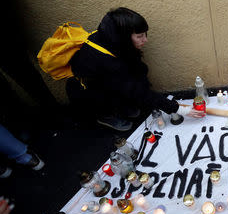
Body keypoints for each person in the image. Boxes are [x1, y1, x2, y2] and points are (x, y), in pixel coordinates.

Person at [66, 7, 204, 131]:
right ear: (125, 37)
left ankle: (122, 105)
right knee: (115, 93)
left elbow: (136, 71)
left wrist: (146, 91)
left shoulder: (114, 37)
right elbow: (134, 89)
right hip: (89, 93)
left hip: (111, 80)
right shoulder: (104, 59)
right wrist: (177, 108)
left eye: (145, 34)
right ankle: (106, 115)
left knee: (138, 73)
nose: (145, 40)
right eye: (139, 36)